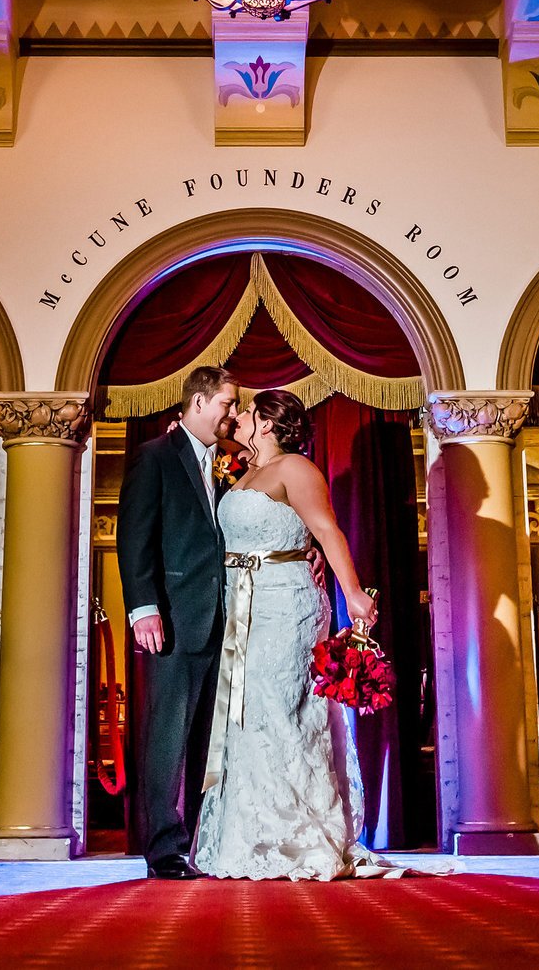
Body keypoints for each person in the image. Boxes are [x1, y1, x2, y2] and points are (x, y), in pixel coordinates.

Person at [193, 387, 396, 880]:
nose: (236, 416)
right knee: (244, 713)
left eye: (245, 410)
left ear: (265, 422)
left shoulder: (294, 469)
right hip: (242, 604)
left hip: (286, 605)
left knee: (279, 707)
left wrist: (353, 593)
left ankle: (300, 834)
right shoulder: (244, 474)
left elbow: (326, 530)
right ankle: (254, 835)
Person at [115, 365, 237, 879]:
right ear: (200, 402)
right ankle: (163, 848)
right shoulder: (155, 456)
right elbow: (134, 534)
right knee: (167, 734)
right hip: (172, 617)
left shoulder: (225, 464)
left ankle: (199, 843)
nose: (233, 414)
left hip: (220, 620)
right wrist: (143, 607)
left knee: (205, 739)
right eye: (228, 403)